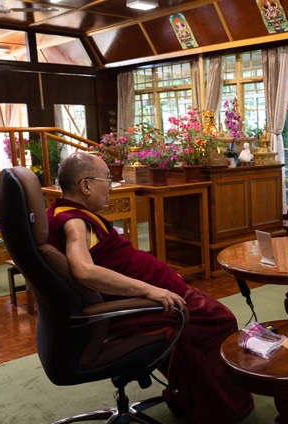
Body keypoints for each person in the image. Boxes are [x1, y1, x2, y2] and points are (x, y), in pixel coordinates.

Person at [46, 153, 253, 424]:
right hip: (139, 305)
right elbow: (84, 270)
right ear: (85, 185)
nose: (111, 185)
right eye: (107, 179)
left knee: (208, 315)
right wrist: (150, 291)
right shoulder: (74, 222)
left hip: (156, 289)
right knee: (220, 319)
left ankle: (193, 394)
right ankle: (216, 409)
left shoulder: (63, 212)